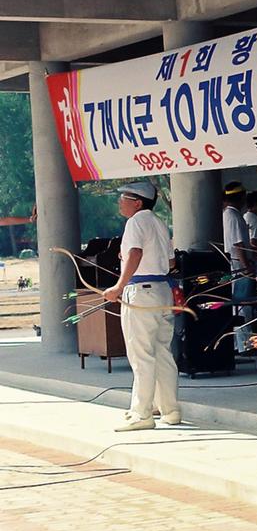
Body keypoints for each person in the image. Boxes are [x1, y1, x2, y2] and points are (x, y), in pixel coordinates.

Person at [104, 181, 180, 432]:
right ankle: (169, 409)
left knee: (141, 354)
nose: (119, 202)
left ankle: (142, 413)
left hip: (142, 291)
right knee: (161, 351)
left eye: (123, 198)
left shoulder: (135, 222)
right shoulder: (159, 222)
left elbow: (136, 253)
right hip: (161, 290)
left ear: (137, 202)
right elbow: (169, 262)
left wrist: (118, 286)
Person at [221, 181, 254, 353]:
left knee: (240, 304)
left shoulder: (229, 215)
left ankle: (240, 343)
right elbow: (238, 244)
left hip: (236, 263)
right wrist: (246, 266)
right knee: (242, 305)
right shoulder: (232, 216)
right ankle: (243, 344)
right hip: (238, 264)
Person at [243, 191, 257, 255]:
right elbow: (253, 241)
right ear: (256, 204)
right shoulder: (255, 220)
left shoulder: (245, 216)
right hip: (256, 255)